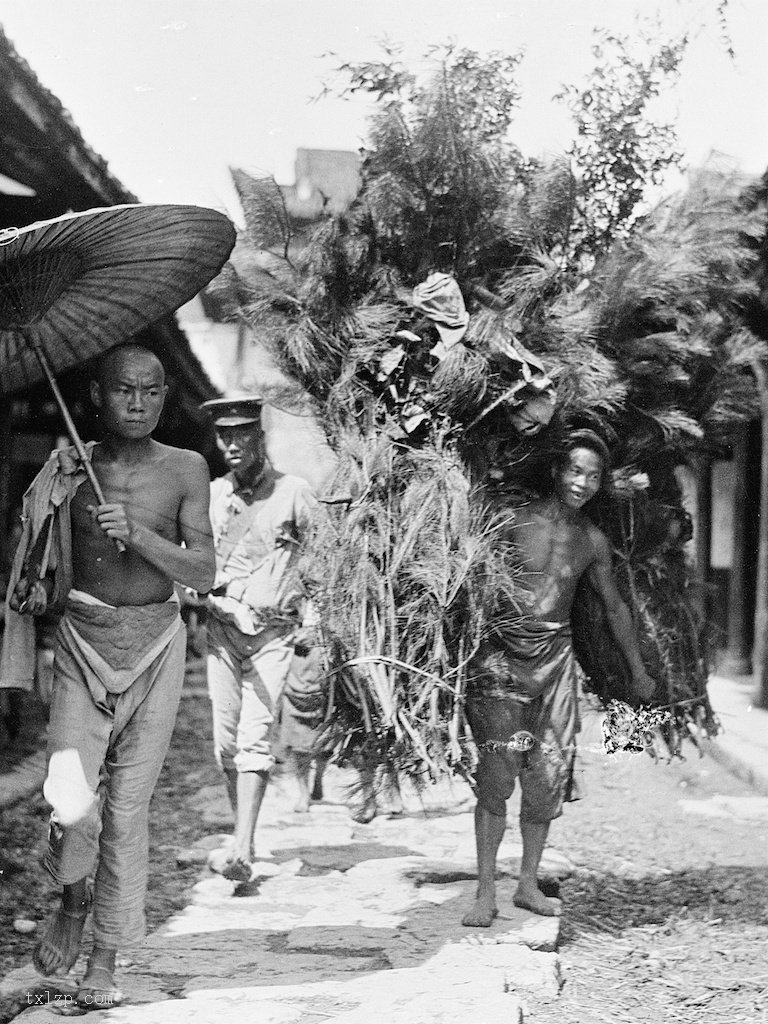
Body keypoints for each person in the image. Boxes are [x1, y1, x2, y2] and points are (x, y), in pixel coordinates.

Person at [2, 343, 215, 1004]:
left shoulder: (186, 469)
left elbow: (203, 571)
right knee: (71, 798)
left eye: (151, 392)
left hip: (155, 647)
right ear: (96, 395)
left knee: (125, 812)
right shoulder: (68, 470)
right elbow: (30, 563)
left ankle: (105, 957)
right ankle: (71, 900)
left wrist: (142, 536)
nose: (139, 403)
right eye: (124, 391)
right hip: (82, 643)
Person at [462, 429, 655, 927]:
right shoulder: (513, 522)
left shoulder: (592, 540)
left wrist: (638, 669)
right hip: (502, 659)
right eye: (575, 471)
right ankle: (485, 891)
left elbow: (614, 606)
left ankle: (527, 884)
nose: (583, 483)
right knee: (497, 775)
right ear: (557, 472)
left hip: (556, 662)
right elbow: (474, 583)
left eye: (593, 476)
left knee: (547, 775)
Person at [201, 396, 318, 882]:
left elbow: (320, 559)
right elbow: (195, 561)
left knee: (255, 736)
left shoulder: (293, 493)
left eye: (242, 434)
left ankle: (244, 846)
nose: (232, 444)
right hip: (222, 631)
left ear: (261, 438)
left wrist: (314, 618)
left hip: (273, 632)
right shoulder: (210, 495)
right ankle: (240, 832)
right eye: (224, 436)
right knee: (224, 742)